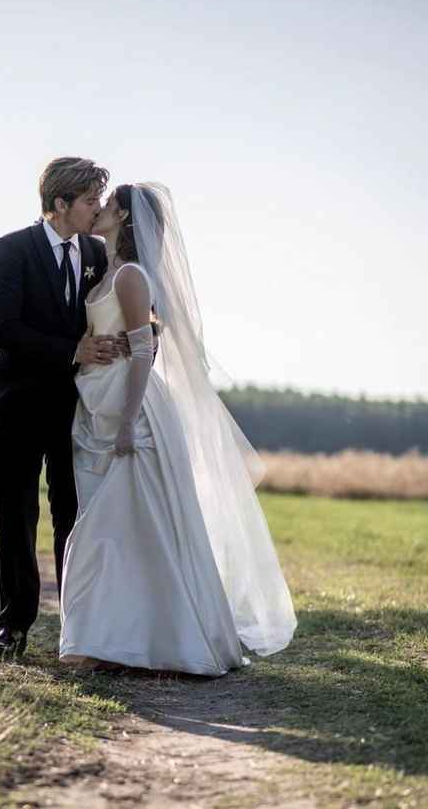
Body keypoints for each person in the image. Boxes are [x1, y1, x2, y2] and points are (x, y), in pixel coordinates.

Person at [60, 183, 297, 673]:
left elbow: (144, 350)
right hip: (96, 401)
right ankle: (117, 642)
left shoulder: (130, 275)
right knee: (118, 531)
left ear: (124, 217)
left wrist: (128, 421)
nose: (98, 210)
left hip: (132, 408)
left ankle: (132, 642)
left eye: (107, 205)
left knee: (119, 529)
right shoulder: (104, 271)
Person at [0, 156, 126, 659]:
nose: (97, 209)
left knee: (74, 518)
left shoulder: (98, 252)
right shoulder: (11, 249)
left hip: (77, 411)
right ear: (60, 204)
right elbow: (0, 327)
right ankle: (13, 627)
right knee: (16, 518)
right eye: (89, 201)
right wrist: (72, 350)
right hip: (17, 407)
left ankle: (77, 632)